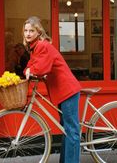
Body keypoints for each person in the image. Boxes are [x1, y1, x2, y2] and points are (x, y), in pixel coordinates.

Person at [23, 16, 81, 163]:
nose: (28, 33)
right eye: (25, 30)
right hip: (62, 92)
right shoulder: (34, 48)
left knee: (71, 130)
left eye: (31, 30)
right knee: (66, 129)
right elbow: (30, 66)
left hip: (67, 90)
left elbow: (41, 67)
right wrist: (29, 70)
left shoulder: (42, 45)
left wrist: (31, 70)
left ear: (38, 32)